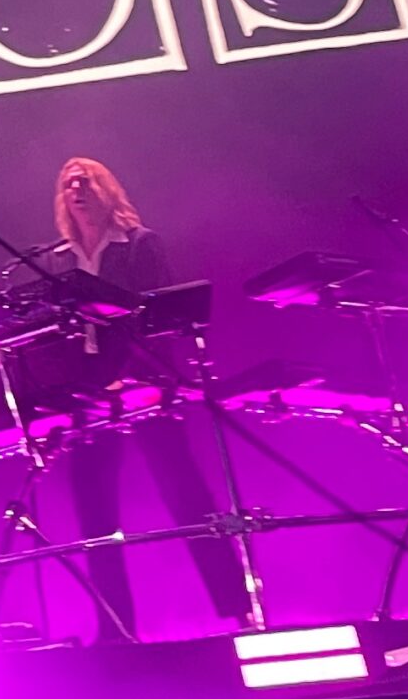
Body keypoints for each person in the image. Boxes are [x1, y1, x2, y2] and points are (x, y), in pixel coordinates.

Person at [34, 158, 253, 643]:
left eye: (85, 180)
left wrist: (136, 378)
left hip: (145, 382)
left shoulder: (139, 245)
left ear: (106, 188)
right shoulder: (55, 260)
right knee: (94, 509)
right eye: (67, 183)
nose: (76, 189)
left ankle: (238, 610)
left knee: (185, 496)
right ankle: (114, 629)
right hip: (88, 392)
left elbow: (161, 317)